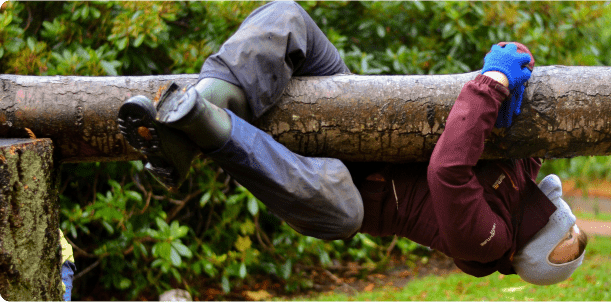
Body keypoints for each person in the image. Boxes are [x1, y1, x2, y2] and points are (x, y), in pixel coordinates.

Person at [117, 0, 586, 285]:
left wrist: (489, 85)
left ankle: (206, 125)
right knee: (287, 17)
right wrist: (516, 76)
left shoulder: (488, 243)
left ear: (530, 256)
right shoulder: (524, 179)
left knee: (342, 211)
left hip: (344, 188)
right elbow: (524, 125)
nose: (572, 231)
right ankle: (202, 104)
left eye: (567, 247)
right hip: (358, 118)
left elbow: (447, 172)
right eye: (578, 233)